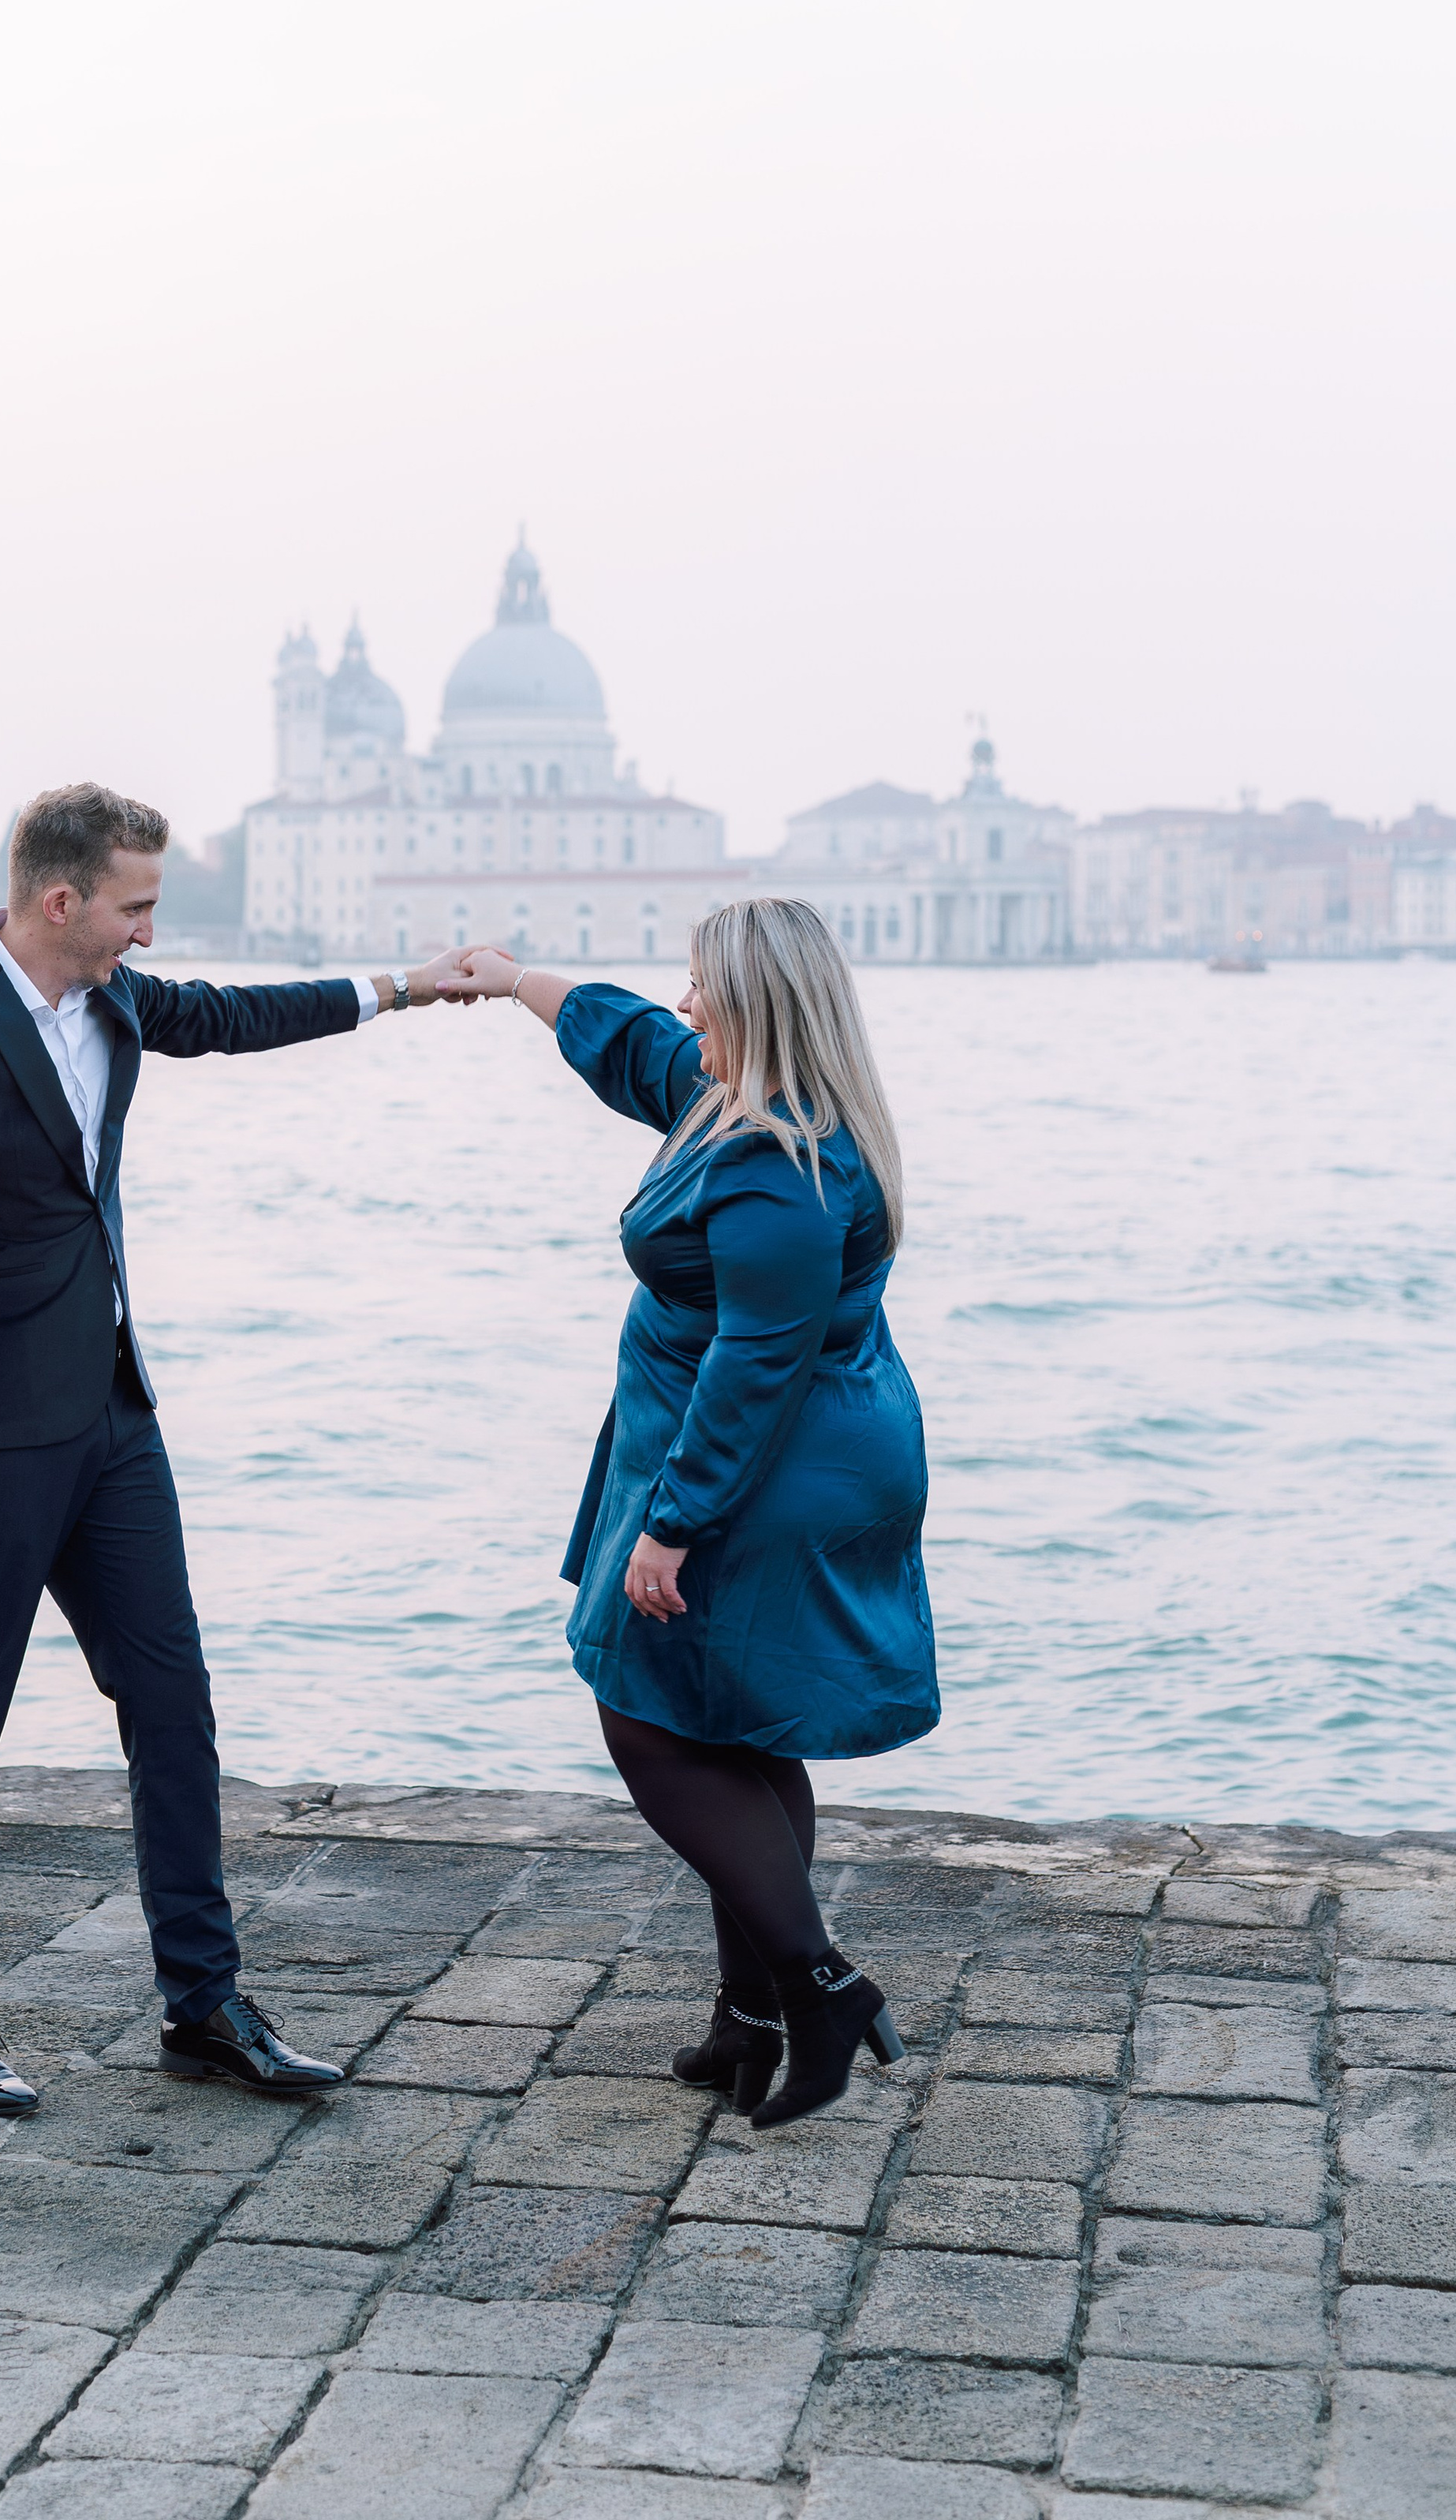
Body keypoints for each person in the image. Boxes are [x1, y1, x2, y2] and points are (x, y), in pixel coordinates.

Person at [0, 782, 468, 2118]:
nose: (148, 937)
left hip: (114, 1423)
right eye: (135, 909)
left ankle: (204, 2004)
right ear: (63, 902)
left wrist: (405, 988)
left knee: (172, 1703)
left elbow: (239, 1021)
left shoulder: (118, 1000)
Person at [439, 899, 936, 2125]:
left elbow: (755, 1365)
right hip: (762, 1453)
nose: (687, 1003)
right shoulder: (729, 1101)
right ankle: (752, 2015)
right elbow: (634, 1045)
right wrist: (515, 981)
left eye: (705, 987)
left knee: (649, 1722)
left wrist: (674, 1523)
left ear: (758, 1007)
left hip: (762, 1469)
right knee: (742, 1730)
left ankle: (819, 1988)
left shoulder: (783, 1168)